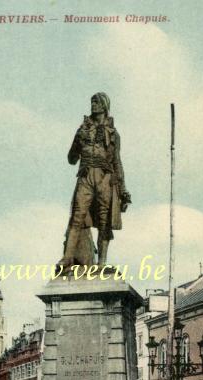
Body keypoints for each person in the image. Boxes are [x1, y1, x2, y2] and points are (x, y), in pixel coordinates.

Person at [58, 92, 131, 269]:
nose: (93, 105)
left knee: (105, 221)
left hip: (105, 178)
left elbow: (117, 161)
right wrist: (78, 140)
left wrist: (123, 190)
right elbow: (71, 158)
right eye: (92, 102)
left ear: (105, 106)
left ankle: (101, 263)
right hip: (85, 176)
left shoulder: (114, 134)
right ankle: (67, 258)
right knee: (77, 216)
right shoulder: (82, 129)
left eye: (97, 102)